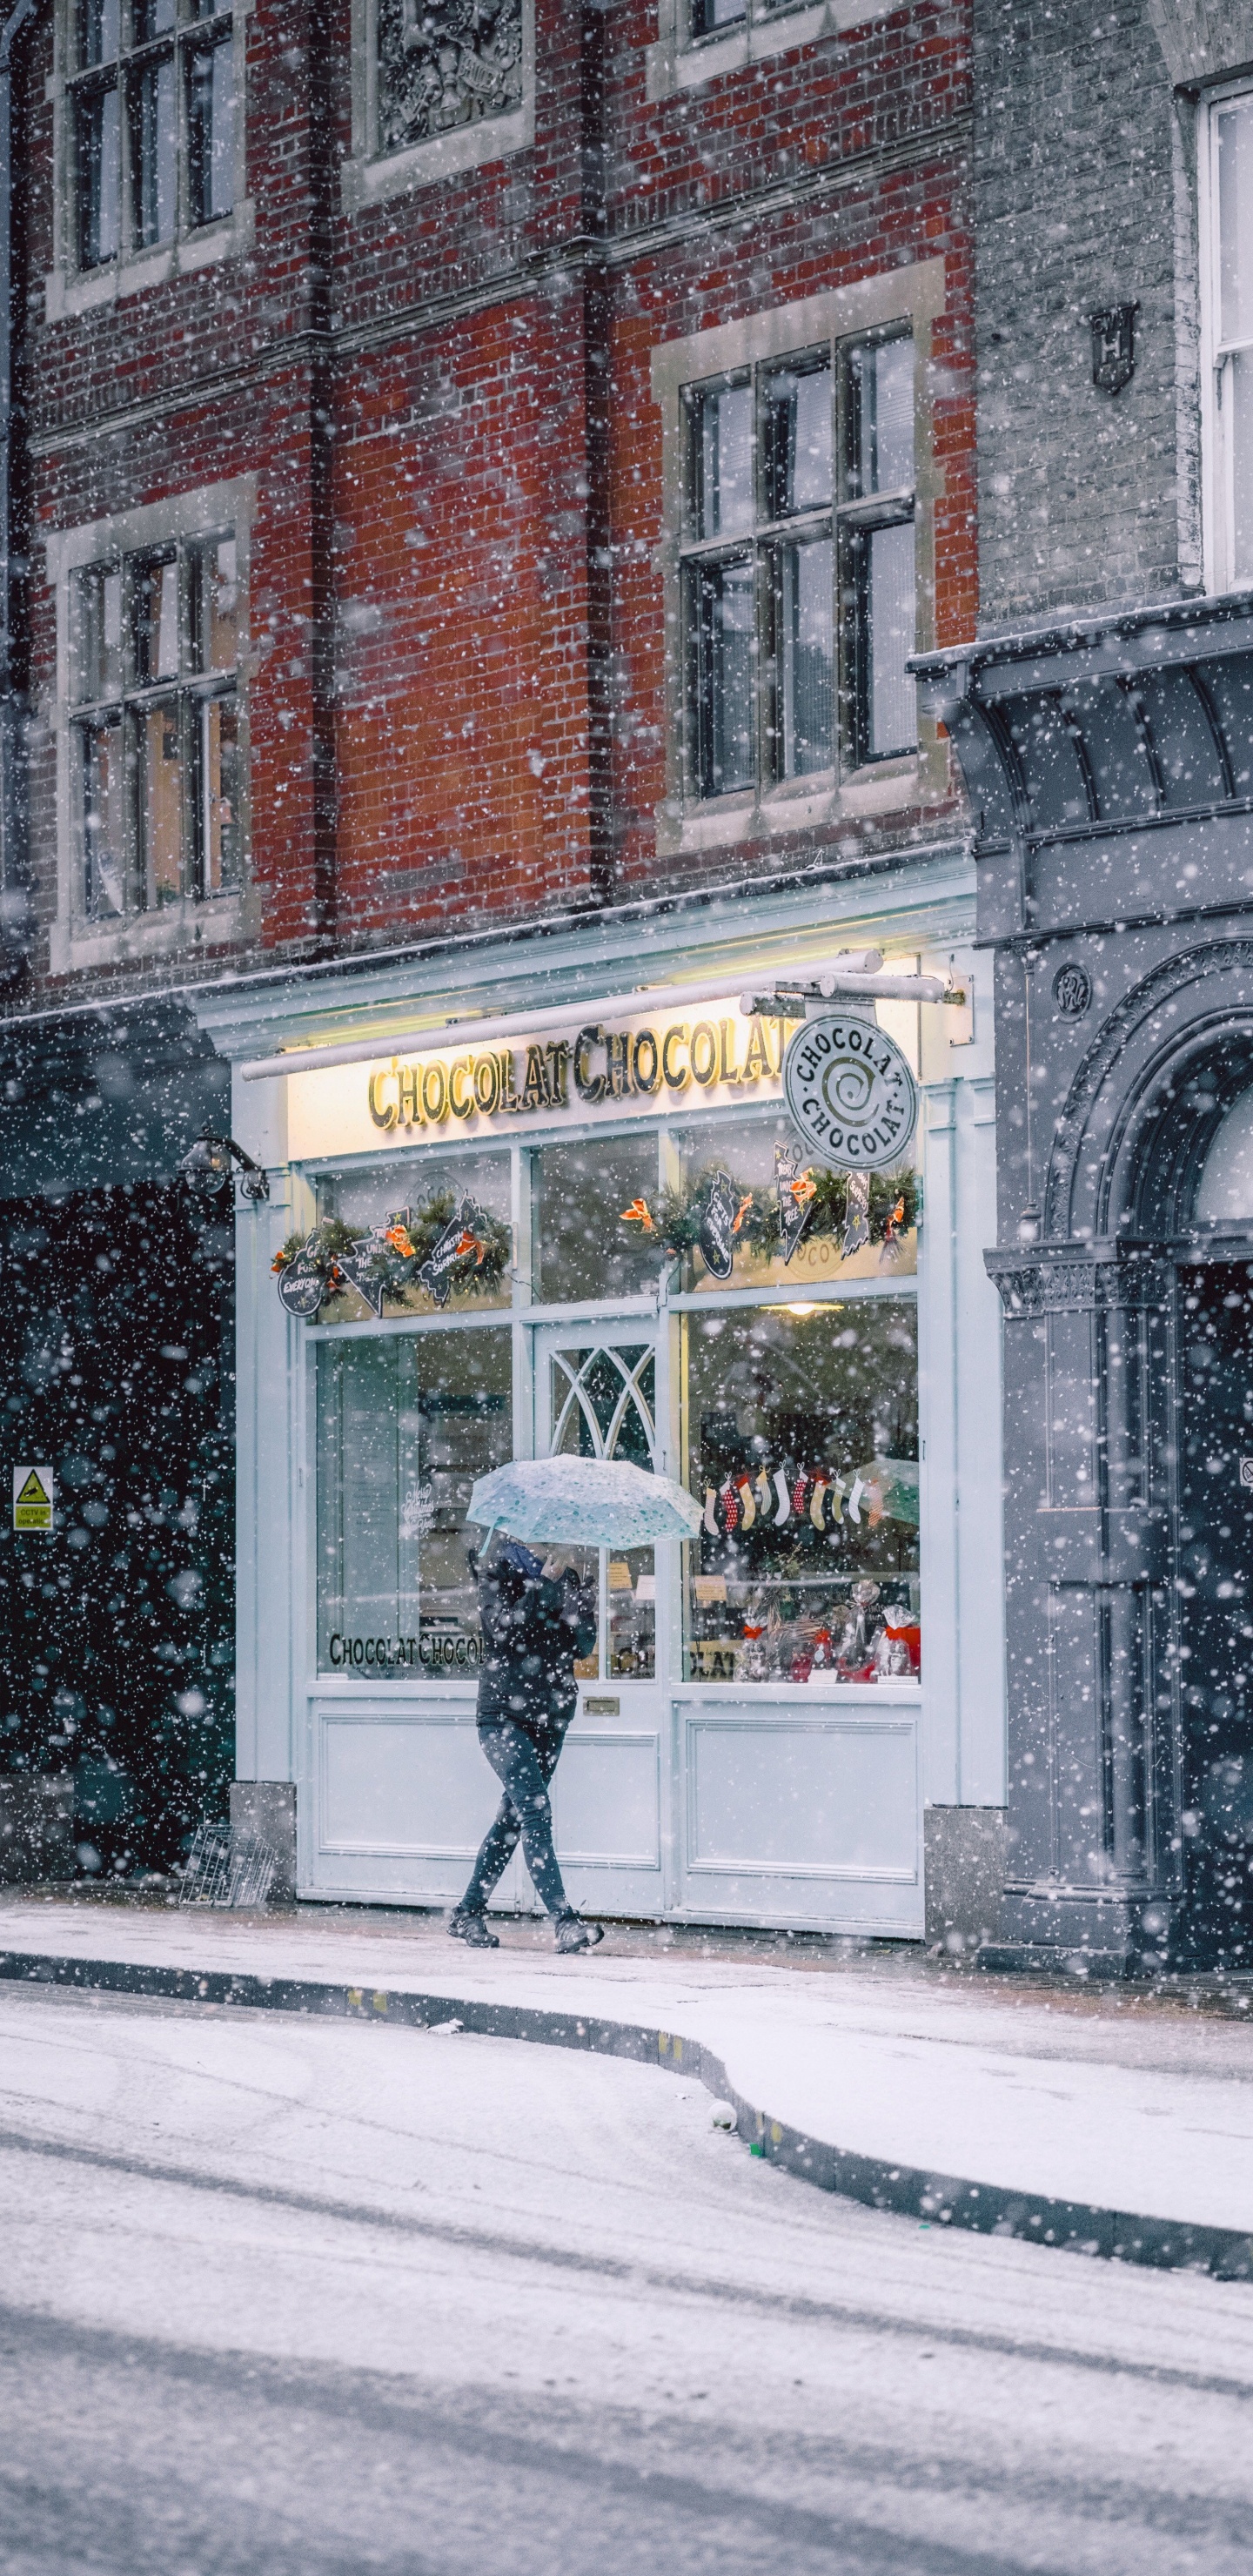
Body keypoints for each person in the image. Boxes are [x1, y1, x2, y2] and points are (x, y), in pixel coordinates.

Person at [449, 1534, 605, 1954]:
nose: (555, 1538)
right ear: (521, 1533)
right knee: (535, 1811)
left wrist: (575, 1596)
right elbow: (503, 1633)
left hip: (551, 1716)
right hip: (504, 1715)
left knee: (513, 1818)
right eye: (546, 1531)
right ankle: (564, 1920)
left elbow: (584, 1645)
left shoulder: (571, 1577)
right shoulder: (497, 1572)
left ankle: (467, 1912)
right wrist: (542, 1587)